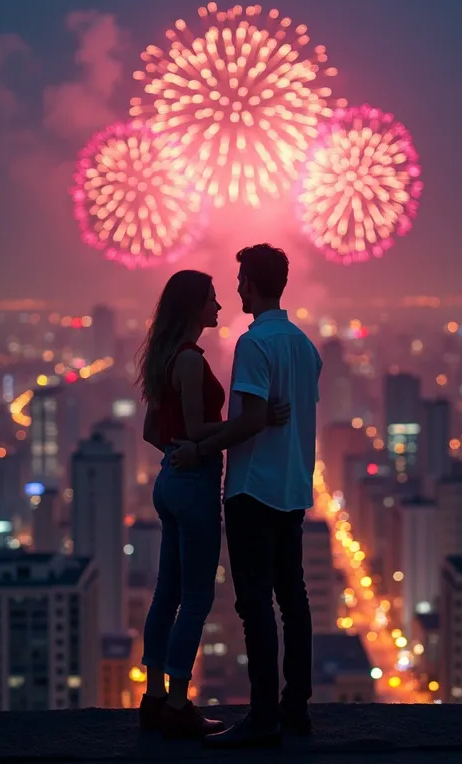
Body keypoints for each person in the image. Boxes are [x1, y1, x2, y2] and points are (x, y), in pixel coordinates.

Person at [172, 244, 322, 749]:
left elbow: (254, 420)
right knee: (293, 598)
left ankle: (263, 716)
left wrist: (199, 448)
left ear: (253, 285)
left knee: (255, 602)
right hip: (293, 486)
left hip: (252, 488)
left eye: (240, 280)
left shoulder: (255, 345)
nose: (236, 289)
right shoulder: (305, 346)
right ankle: (295, 707)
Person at [137, 269, 289, 740]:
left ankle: (155, 696)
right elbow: (198, 430)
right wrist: (253, 422)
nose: (220, 308)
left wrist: (179, 449)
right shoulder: (189, 361)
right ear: (192, 307)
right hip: (194, 485)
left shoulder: (163, 359)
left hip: (168, 482)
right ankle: (180, 706)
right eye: (212, 300)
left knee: (167, 593)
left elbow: (151, 431)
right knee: (197, 598)